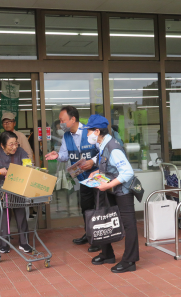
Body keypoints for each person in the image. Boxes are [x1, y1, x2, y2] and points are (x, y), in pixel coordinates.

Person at [84, 114, 138, 273]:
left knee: (129, 225)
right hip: (110, 189)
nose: (87, 135)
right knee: (105, 218)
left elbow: (128, 172)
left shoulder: (113, 147)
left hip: (122, 191)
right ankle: (107, 254)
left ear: (96, 131)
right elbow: (105, 161)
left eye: (89, 131)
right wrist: (97, 172)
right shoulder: (102, 144)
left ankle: (130, 261)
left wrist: (108, 184)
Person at [45, 106, 101, 253]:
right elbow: (65, 155)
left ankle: (99, 238)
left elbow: (104, 151)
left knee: (98, 207)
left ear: (73, 119)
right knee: (86, 207)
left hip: (97, 176)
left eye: (63, 120)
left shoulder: (90, 132)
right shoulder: (66, 136)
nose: (61, 123)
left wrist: (93, 161)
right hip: (82, 178)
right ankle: (89, 234)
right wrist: (57, 155)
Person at [0, 131, 32, 254]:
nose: (14, 147)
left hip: (17, 187)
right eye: (11, 144)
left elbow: (28, 165)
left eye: (16, 143)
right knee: (4, 216)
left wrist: (26, 167)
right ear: (2, 145)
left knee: (21, 214)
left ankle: (24, 242)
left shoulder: (20, 151)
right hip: (1, 188)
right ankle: (4, 243)